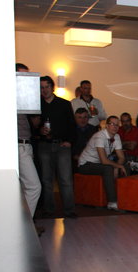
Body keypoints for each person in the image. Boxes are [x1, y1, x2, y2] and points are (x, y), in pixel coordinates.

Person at [38, 75, 77, 218]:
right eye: (42, 88)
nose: (44, 90)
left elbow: (72, 125)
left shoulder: (64, 104)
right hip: (44, 145)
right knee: (46, 179)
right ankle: (49, 209)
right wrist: (39, 131)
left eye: (47, 87)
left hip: (62, 145)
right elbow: (33, 126)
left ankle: (69, 210)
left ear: (52, 87)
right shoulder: (38, 105)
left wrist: (70, 141)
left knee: (65, 179)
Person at [77, 115, 128, 211]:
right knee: (107, 168)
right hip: (85, 164)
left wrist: (118, 166)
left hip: (98, 164)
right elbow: (104, 160)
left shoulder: (116, 136)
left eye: (117, 125)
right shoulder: (100, 136)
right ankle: (112, 202)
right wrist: (117, 165)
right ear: (107, 126)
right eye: (112, 124)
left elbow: (121, 157)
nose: (115, 127)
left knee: (125, 166)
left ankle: (125, 199)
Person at [15, 63, 41, 219]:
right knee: (34, 187)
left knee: (26, 188)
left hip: (25, 144)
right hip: (19, 145)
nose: (27, 79)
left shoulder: (23, 97)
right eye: (23, 75)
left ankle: (23, 223)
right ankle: (25, 224)